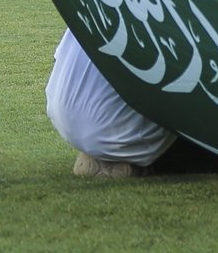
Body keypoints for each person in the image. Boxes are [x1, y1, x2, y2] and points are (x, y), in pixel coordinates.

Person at [46, 30, 175, 178]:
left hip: (62, 114)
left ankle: (102, 152)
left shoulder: (90, 7)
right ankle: (122, 158)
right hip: (121, 132)